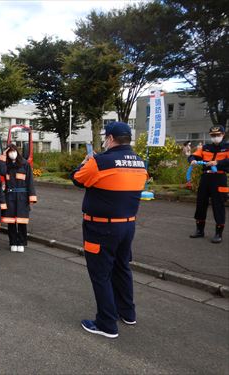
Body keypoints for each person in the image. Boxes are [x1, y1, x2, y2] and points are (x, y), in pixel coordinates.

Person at [70, 122, 148, 339]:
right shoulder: (140, 162)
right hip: (128, 225)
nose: (105, 140)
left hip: (101, 226)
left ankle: (106, 323)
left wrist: (86, 161)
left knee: (100, 274)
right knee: (122, 268)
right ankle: (127, 313)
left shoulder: (100, 161)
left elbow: (77, 179)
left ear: (111, 138)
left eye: (106, 137)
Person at [188, 125, 229, 243]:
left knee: (218, 205)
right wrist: (192, 160)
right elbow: (193, 155)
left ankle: (218, 233)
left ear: (223, 135)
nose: (215, 137)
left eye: (218, 135)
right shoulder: (205, 148)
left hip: (219, 178)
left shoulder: (227, 147)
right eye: (213, 135)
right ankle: (200, 230)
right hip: (206, 177)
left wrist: (218, 162)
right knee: (201, 203)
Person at [0, 144, 37, 252]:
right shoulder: (6, 165)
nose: (12, 153)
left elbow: (30, 181)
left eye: (13, 151)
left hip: (22, 197)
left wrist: (31, 197)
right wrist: (2, 156)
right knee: (11, 222)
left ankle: (22, 242)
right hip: (10, 196)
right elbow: (0, 171)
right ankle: (13, 242)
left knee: (22, 221)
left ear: (17, 152)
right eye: (9, 152)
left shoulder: (25, 164)